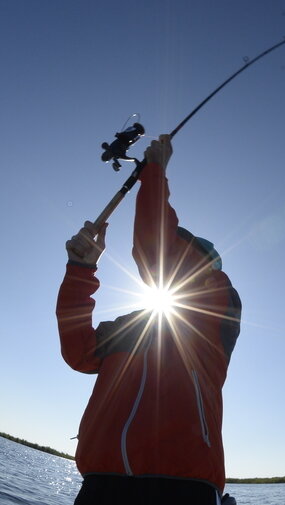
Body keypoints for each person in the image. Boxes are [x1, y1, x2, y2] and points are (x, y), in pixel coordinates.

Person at [56, 135, 241, 505]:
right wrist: (80, 268)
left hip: (182, 489)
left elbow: (154, 253)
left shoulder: (220, 307)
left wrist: (155, 171)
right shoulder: (129, 326)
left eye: (183, 249)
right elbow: (79, 353)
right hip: (99, 484)